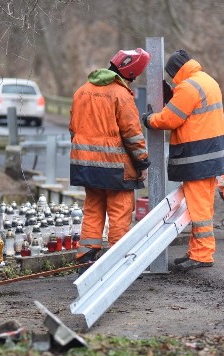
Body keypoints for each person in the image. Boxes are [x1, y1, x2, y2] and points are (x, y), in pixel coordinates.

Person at [143, 49, 224, 272]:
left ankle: (202, 255)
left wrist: (149, 120)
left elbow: (169, 119)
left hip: (197, 157)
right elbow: (193, 113)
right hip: (211, 155)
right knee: (204, 206)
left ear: (175, 71)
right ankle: (198, 251)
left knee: (199, 208)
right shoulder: (207, 81)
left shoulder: (187, 87)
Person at [69, 48, 151, 274]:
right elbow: (133, 134)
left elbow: (73, 129)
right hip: (116, 167)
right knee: (119, 212)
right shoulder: (121, 95)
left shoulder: (82, 91)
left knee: (93, 209)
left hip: (85, 165)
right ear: (131, 72)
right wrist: (142, 163)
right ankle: (118, 260)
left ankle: (86, 256)